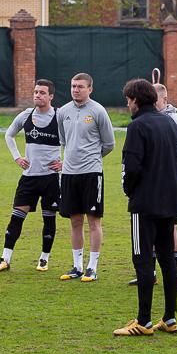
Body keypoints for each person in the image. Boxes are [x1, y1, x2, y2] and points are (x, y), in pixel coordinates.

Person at [113, 79, 177, 336]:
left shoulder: (137, 126)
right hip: (171, 200)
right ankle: (170, 317)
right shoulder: (169, 122)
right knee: (167, 258)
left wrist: (129, 190)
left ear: (135, 99)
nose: (127, 105)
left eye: (128, 100)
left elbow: (131, 166)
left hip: (145, 202)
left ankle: (144, 320)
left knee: (142, 259)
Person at [126, 83, 177, 286]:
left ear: (164, 99)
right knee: (152, 234)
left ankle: (173, 274)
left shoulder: (174, 121)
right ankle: (151, 274)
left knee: (171, 230)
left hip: (168, 187)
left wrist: (176, 176)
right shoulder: (149, 121)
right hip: (154, 188)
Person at [0, 79, 62, 273]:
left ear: (51, 96)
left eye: (42, 92)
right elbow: (9, 135)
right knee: (16, 217)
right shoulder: (26, 115)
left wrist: (65, 163)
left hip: (51, 179)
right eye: (36, 92)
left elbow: (73, 140)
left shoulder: (60, 117)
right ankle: (5, 259)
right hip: (29, 178)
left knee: (49, 219)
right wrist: (17, 157)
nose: (38, 95)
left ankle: (44, 259)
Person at [57, 73, 115, 282]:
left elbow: (109, 143)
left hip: (91, 173)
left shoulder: (98, 111)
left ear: (90, 89)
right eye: (73, 86)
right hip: (69, 174)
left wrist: (92, 159)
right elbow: (64, 140)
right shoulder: (63, 112)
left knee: (93, 221)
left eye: (80, 86)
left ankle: (92, 267)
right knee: (74, 221)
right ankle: (77, 266)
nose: (76, 90)